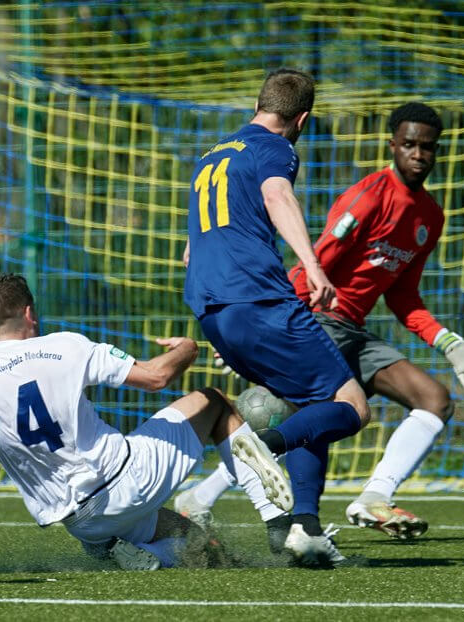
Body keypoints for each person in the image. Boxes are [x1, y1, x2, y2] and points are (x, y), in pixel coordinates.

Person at [176, 102, 464, 540]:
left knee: (434, 400)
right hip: (321, 318)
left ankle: (372, 498)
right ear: (392, 145)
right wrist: (260, 321)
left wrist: (447, 342)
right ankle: (206, 497)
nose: (418, 154)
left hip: (355, 330)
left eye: (427, 147)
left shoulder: (430, 217)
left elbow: (403, 296)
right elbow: (319, 260)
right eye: (409, 144)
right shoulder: (370, 195)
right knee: (301, 415)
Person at [0, 274, 292, 571]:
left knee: (197, 543)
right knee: (213, 401)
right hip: (129, 477)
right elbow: (157, 378)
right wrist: (188, 348)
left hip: (80, 520)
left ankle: (118, 548)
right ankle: (276, 517)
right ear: (29, 313)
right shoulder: (64, 346)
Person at [183, 68, 371, 567]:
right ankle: (266, 444)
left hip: (211, 306)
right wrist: (311, 266)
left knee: (312, 405)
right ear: (302, 118)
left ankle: (302, 530)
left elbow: (190, 250)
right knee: (351, 404)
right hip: (259, 299)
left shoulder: (211, 157)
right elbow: (277, 196)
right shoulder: (276, 147)